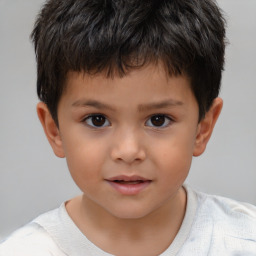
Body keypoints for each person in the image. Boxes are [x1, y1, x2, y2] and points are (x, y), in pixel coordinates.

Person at [0, 0, 256, 255]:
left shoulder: (243, 241)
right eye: (97, 120)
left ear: (203, 128)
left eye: (158, 120)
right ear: (54, 130)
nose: (128, 151)